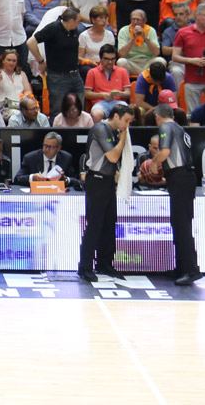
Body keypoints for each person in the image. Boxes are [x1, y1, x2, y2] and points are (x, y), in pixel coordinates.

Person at [77, 103, 136, 282]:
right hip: (97, 181)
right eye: (126, 121)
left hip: (109, 182)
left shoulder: (113, 131)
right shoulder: (100, 129)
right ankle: (85, 266)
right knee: (94, 224)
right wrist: (124, 137)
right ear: (116, 116)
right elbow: (113, 156)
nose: (127, 125)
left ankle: (105, 263)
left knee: (109, 224)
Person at [151, 102, 202, 285]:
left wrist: (153, 162)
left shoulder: (166, 126)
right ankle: (182, 267)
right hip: (185, 177)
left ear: (158, 116)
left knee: (182, 224)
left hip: (180, 177)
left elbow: (164, 152)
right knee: (180, 223)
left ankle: (191, 269)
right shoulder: (181, 128)